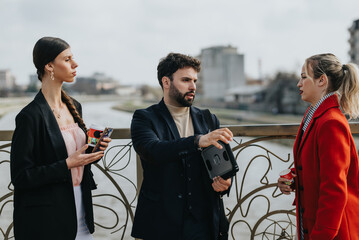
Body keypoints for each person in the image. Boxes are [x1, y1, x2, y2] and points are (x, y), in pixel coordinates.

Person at [10, 37, 111, 240]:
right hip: (47, 218)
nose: (75, 64)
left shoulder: (74, 105)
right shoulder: (29, 116)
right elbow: (21, 177)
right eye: (67, 59)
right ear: (49, 66)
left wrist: (94, 151)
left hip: (81, 210)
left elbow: (77, 159)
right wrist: (67, 164)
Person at [131, 53, 233, 240]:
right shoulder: (144, 118)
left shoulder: (209, 118)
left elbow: (223, 164)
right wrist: (197, 141)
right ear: (166, 82)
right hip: (162, 223)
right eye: (186, 80)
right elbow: (153, 151)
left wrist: (226, 183)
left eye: (194, 80)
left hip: (205, 223)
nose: (193, 86)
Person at [277, 53, 359, 240]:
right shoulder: (316, 115)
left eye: (304, 77)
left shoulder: (330, 122)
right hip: (317, 226)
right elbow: (318, 167)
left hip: (335, 232)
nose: (298, 84)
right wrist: (294, 179)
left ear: (322, 81)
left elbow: (334, 190)